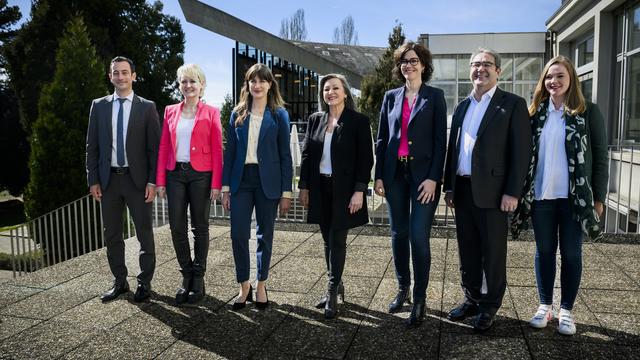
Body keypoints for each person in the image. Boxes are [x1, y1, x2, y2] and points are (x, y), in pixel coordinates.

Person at [511, 56, 608, 336]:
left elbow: (600, 158)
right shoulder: (534, 114)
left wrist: (598, 198)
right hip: (541, 197)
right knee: (543, 252)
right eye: (549, 77)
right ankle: (545, 306)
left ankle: (566, 309)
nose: (554, 81)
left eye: (560, 76)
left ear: (571, 80)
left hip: (574, 200)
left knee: (572, 253)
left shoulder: (588, 112)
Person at [443, 48, 532, 331]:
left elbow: (522, 152)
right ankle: (471, 298)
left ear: (498, 71)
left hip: (494, 193)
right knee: (467, 249)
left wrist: (513, 192)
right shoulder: (462, 106)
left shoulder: (512, 104)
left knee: (492, 252)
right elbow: (453, 150)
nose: (480, 69)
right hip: (463, 189)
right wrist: (449, 187)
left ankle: (490, 305)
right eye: (475, 64)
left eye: (486, 64)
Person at [374, 42, 447, 327]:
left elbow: (441, 141)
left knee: (418, 235)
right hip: (394, 174)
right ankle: (403, 288)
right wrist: (379, 174)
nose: (409, 65)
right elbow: (382, 139)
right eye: (404, 61)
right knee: (398, 233)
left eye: (414, 60)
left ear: (424, 65)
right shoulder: (391, 97)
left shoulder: (435, 97)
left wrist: (434, 178)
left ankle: (420, 297)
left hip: (423, 178)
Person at [86, 56, 160, 303]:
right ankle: (120, 282)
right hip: (108, 182)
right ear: (110, 76)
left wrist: (152, 181)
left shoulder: (147, 107)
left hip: (137, 181)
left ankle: (144, 283)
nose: (120, 77)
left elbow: (154, 149)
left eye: (125, 72)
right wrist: (93, 180)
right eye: (115, 73)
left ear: (134, 76)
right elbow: (92, 147)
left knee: (144, 234)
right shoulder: (99, 106)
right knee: (112, 235)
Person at [298, 74, 373, 319]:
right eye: (326, 89)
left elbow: (366, 159)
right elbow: (308, 156)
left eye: (335, 88)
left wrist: (359, 190)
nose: (330, 92)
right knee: (327, 240)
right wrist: (304, 187)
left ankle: (331, 291)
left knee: (337, 239)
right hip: (320, 188)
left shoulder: (359, 121)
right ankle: (337, 283)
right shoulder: (315, 120)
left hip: (345, 191)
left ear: (345, 92)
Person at [222, 63, 293, 310]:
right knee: (238, 234)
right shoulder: (237, 114)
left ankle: (261, 284)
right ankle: (244, 285)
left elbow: (286, 156)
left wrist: (286, 192)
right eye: (253, 81)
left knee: (265, 235)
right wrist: (225, 188)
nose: (257, 85)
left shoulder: (279, 115)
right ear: (248, 84)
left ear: (270, 84)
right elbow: (229, 154)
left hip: (268, 182)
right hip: (242, 181)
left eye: (262, 81)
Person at [156, 63, 223, 305]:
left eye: (193, 81)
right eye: (184, 81)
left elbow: (217, 149)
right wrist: (160, 180)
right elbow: (164, 146)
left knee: (200, 227)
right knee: (176, 226)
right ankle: (186, 275)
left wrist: (217, 184)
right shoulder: (170, 111)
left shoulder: (212, 112)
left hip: (201, 175)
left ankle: (199, 277)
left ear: (201, 85)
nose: (188, 85)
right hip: (175, 174)